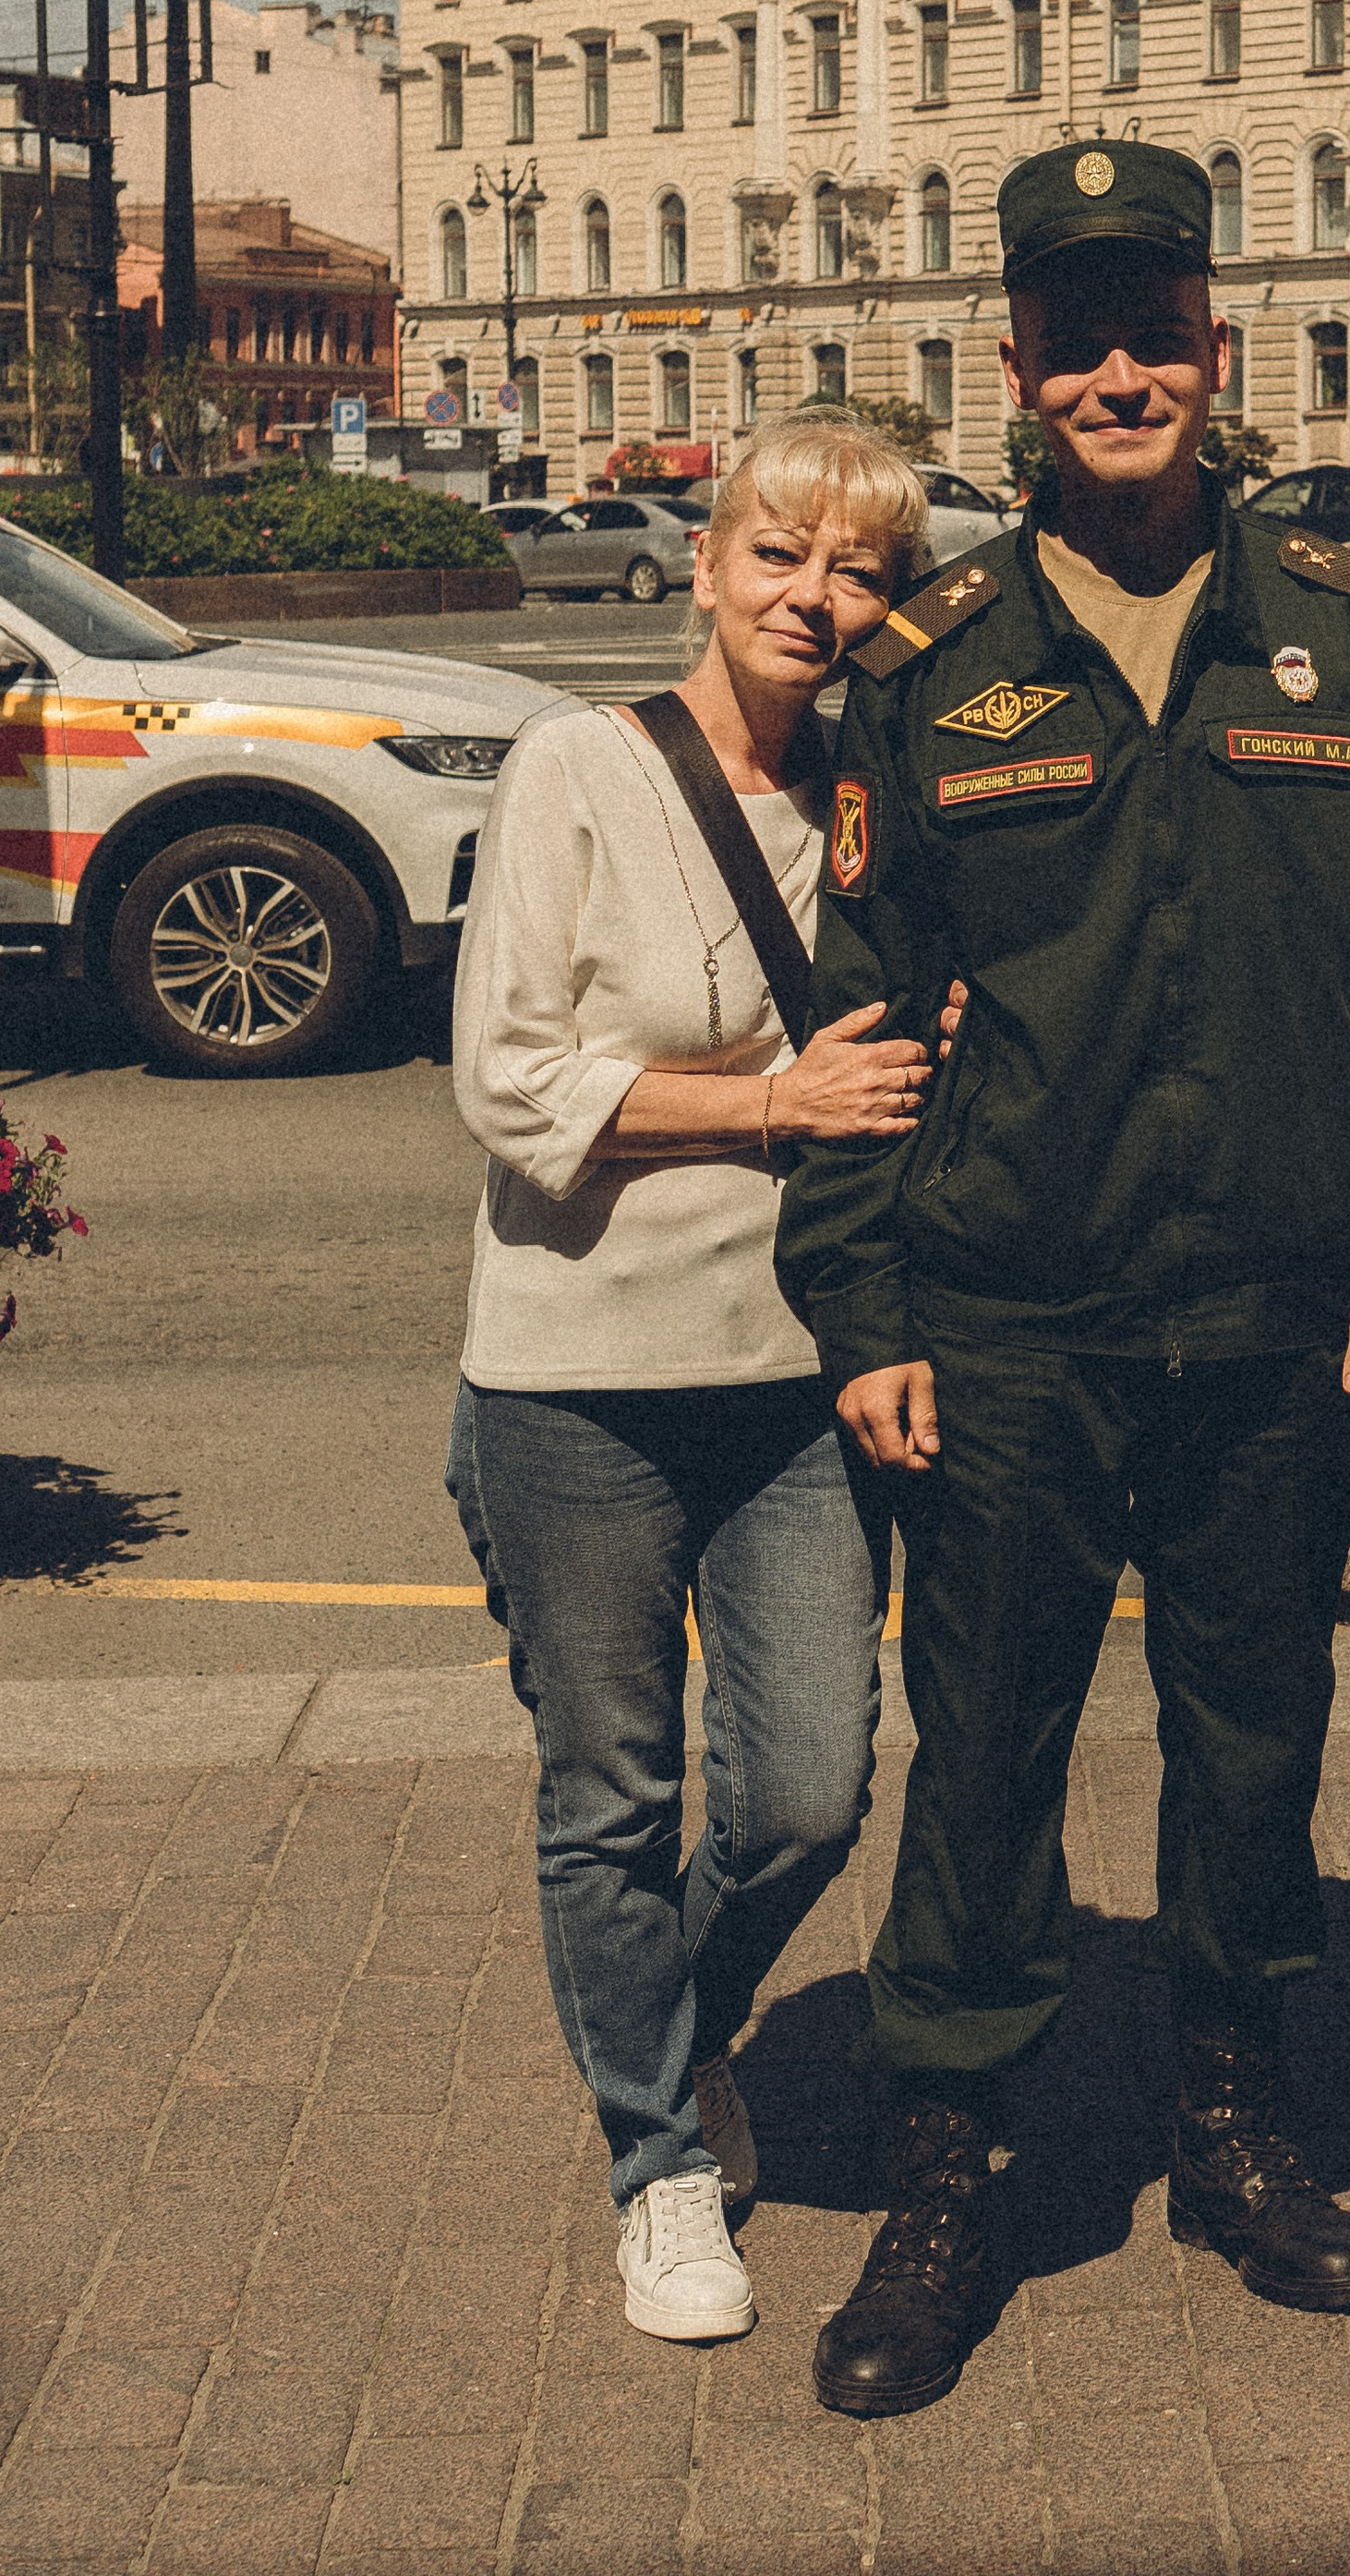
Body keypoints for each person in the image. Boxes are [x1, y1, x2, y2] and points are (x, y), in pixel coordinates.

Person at [776, 136, 1350, 2417]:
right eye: (1077, 332)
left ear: (1218, 347)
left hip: (1273, 1313)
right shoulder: (934, 662)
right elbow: (860, 1022)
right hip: (1008, 1320)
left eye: (1157, 323)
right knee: (983, 1758)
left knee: (1253, 1743)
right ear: (1014, 368)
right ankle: (949, 2171)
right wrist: (860, 1315)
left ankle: (1232, 2122)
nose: (1121, 367)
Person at [447, 410, 940, 2347]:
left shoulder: (877, 796)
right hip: (575, 1369)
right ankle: (658, 2158)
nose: (817, 597)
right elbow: (505, 1080)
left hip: (796, 1366)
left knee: (812, 1784)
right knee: (610, 1789)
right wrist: (773, 1103)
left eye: (862, 571)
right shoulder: (580, 764)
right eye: (782, 554)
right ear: (711, 556)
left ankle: (675, 2018)